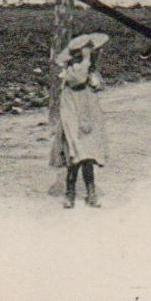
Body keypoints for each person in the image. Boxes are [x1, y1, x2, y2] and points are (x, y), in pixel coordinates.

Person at [50, 32, 111, 208]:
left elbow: (98, 85)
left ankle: (90, 191)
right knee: (75, 154)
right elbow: (78, 80)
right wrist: (85, 61)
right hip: (73, 120)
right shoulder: (70, 73)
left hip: (88, 118)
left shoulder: (89, 71)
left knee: (88, 155)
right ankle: (70, 192)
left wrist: (93, 74)